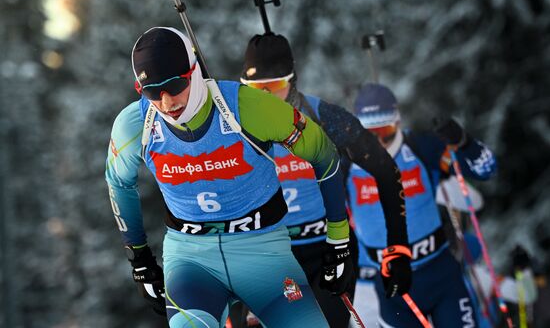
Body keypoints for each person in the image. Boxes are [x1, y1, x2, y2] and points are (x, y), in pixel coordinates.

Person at [105, 25, 368, 328]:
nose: (167, 103)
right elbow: (119, 182)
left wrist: (338, 241)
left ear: (194, 70)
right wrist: (139, 259)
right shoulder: (135, 124)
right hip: (191, 259)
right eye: (152, 92)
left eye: (176, 85)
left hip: (262, 252)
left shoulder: (248, 107)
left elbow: (324, 155)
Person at [238, 32, 412, 327]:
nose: (264, 96)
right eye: (256, 88)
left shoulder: (325, 117)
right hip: (272, 255)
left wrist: (398, 247)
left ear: (292, 81)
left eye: (274, 85)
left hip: (329, 251)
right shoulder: (234, 124)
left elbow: (385, 170)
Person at [347, 83, 498, 327]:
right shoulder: (345, 163)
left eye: (385, 130)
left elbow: (486, 169)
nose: (380, 143)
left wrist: (465, 143)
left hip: (440, 276)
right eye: (369, 133)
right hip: (393, 290)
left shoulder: (421, 148)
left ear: (397, 121)